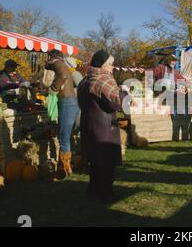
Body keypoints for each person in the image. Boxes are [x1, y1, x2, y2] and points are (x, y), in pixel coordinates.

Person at [78, 50, 130, 203]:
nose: (112, 68)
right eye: (110, 64)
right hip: (104, 127)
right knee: (107, 162)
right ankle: (106, 193)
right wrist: (124, 93)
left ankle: (93, 190)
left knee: (95, 161)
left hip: (89, 124)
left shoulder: (85, 80)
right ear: (102, 65)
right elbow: (115, 104)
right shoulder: (103, 79)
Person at [45, 49, 80, 176]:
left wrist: (52, 89)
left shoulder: (56, 62)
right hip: (70, 103)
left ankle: (65, 169)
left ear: (51, 56)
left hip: (67, 103)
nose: (47, 60)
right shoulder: (64, 64)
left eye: (48, 57)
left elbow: (62, 77)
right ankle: (64, 166)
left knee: (63, 137)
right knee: (65, 136)